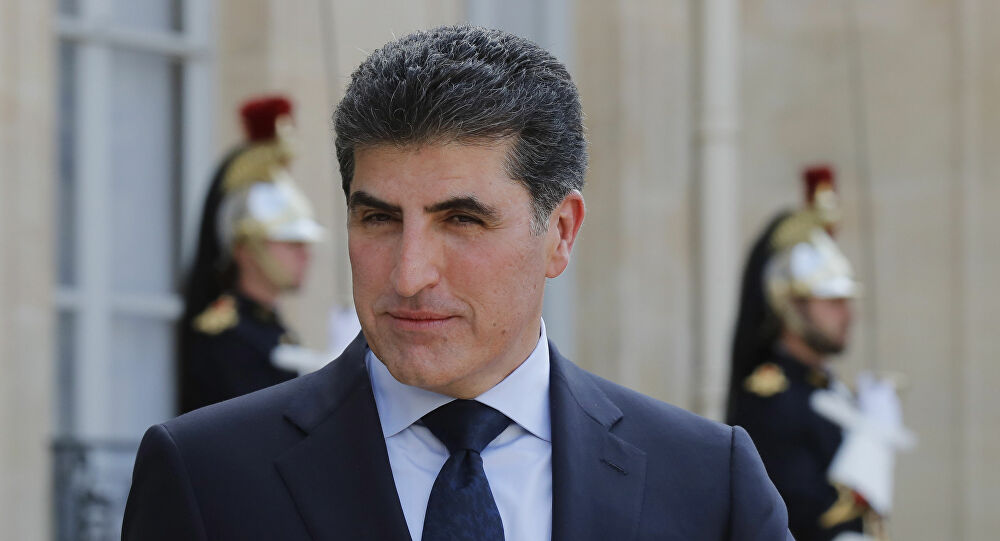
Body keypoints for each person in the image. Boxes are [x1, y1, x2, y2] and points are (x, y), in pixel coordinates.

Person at [124, 25, 793, 540]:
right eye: (379, 219)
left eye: (462, 220)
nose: (409, 273)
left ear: (561, 233)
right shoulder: (205, 476)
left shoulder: (710, 483)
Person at [727, 167, 910, 541]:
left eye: (847, 300)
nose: (848, 315)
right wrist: (872, 438)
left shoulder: (826, 389)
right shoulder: (770, 401)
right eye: (832, 302)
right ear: (791, 305)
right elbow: (814, 523)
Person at [177, 95, 324, 413]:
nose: (305, 254)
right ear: (245, 250)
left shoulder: (277, 331)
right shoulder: (224, 336)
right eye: (290, 242)